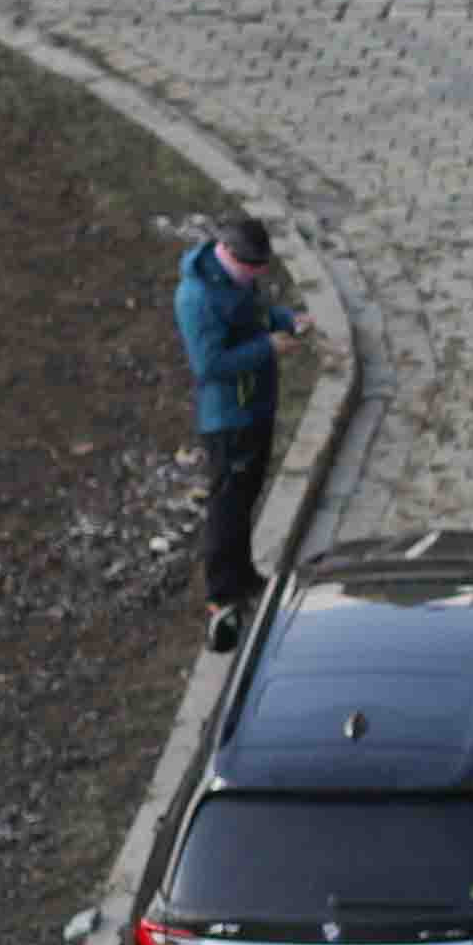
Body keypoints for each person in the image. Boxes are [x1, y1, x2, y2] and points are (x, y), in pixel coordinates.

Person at [177, 214, 305, 645]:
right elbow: (209, 366)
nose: (260, 273)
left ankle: (245, 575)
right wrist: (267, 347)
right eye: (254, 266)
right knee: (227, 507)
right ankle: (221, 594)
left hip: (255, 407)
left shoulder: (236, 277)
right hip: (229, 419)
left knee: (247, 496)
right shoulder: (197, 298)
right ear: (228, 253)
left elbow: (257, 314)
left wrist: (285, 320)